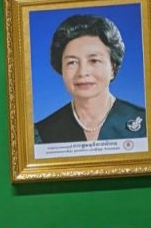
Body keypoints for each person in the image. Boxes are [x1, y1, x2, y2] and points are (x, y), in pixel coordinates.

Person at [34, 14, 146, 144]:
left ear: (113, 68)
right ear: (61, 68)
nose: (82, 72)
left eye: (94, 60)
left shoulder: (144, 123)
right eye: (72, 62)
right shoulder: (43, 132)